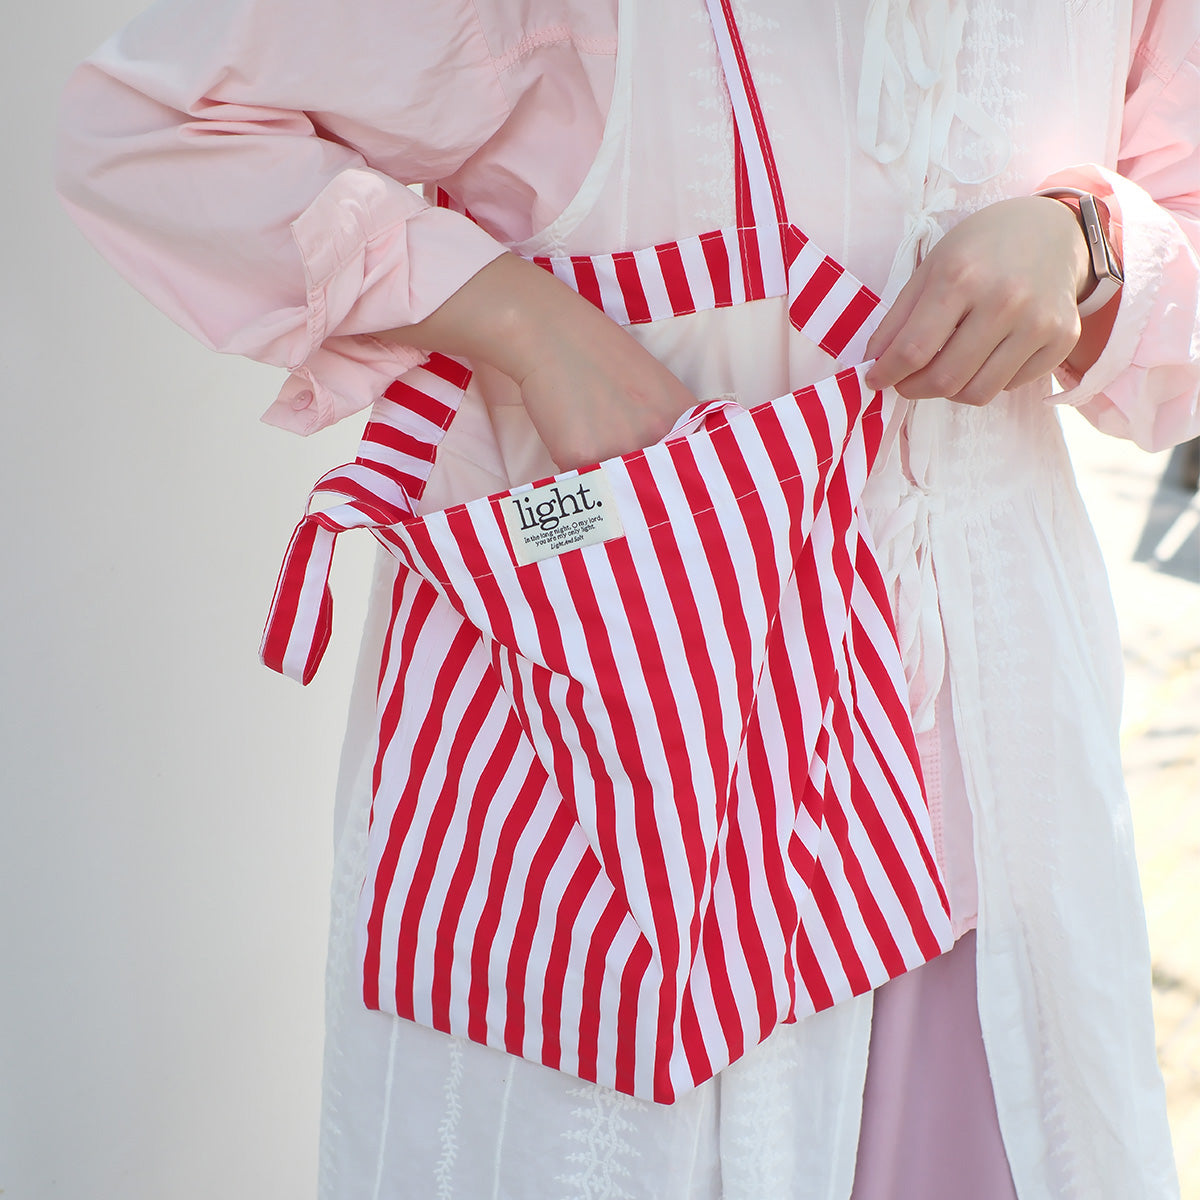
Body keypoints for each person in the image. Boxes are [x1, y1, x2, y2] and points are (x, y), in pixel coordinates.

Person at [56, 1, 1200, 1196]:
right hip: (617, 713)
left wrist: (1089, 242)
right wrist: (526, 325)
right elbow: (149, 130)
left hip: (997, 749)